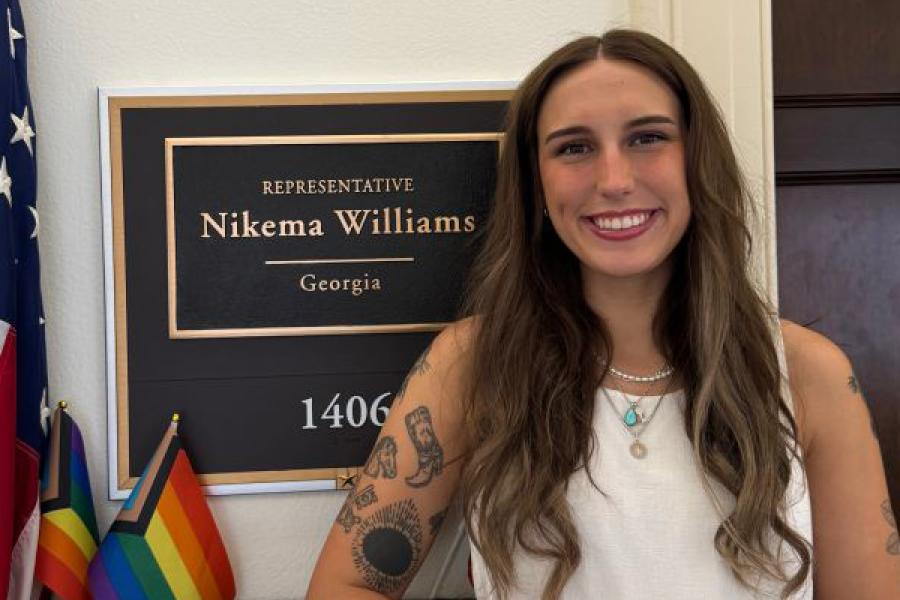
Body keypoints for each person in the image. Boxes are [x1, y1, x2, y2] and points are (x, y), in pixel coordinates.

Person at [307, 29, 900, 599]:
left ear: (697, 159)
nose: (614, 180)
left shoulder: (808, 373)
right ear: (535, 182)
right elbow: (349, 584)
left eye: (647, 138)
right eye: (574, 147)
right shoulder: (472, 364)